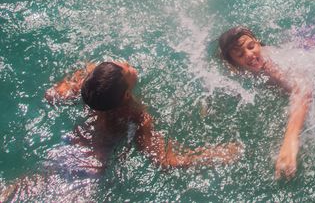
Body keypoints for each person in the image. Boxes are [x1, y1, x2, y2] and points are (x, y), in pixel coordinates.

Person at [0, 61, 241, 201]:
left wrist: (77, 82)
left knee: (22, 187)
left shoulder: (91, 94)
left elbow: (52, 95)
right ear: (126, 94)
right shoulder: (137, 116)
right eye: (126, 71)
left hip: (68, 149)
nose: (128, 66)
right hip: (92, 169)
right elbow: (165, 160)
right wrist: (216, 154)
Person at [218, 27, 313, 179]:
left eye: (251, 46)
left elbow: (303, 89)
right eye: (240, 55)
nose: (250, 54)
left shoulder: (270, 66)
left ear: (258, 43)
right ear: (234, 64)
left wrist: (290, 139)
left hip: (313, 48)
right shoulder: (238, 72)